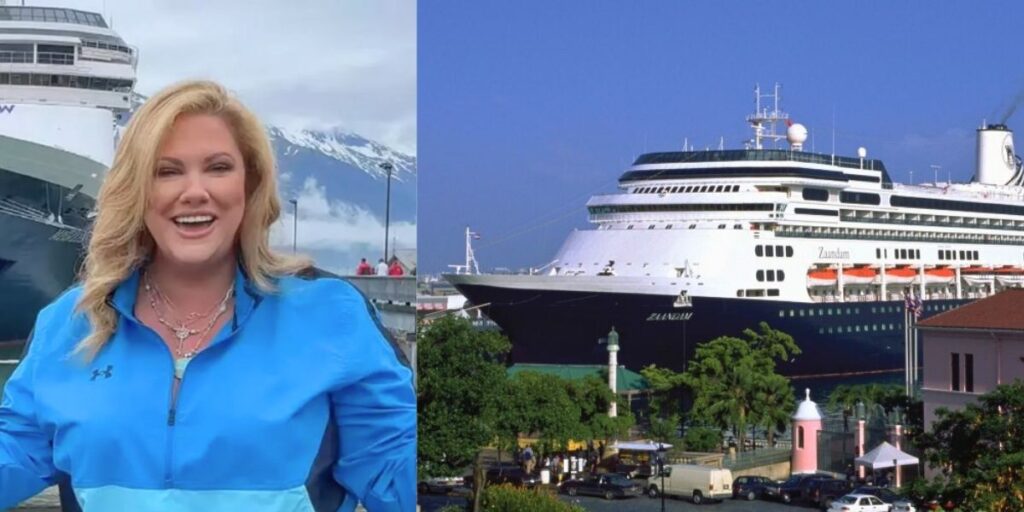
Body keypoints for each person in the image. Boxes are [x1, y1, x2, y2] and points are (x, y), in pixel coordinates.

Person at [0, 81, 415, 511]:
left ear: (249, 184)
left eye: (218, 168)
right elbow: (16, 448)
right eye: (167, 171)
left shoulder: (330, 316)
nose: (194, 191)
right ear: (136, 189)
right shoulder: (70, 322)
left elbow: (395, 467)